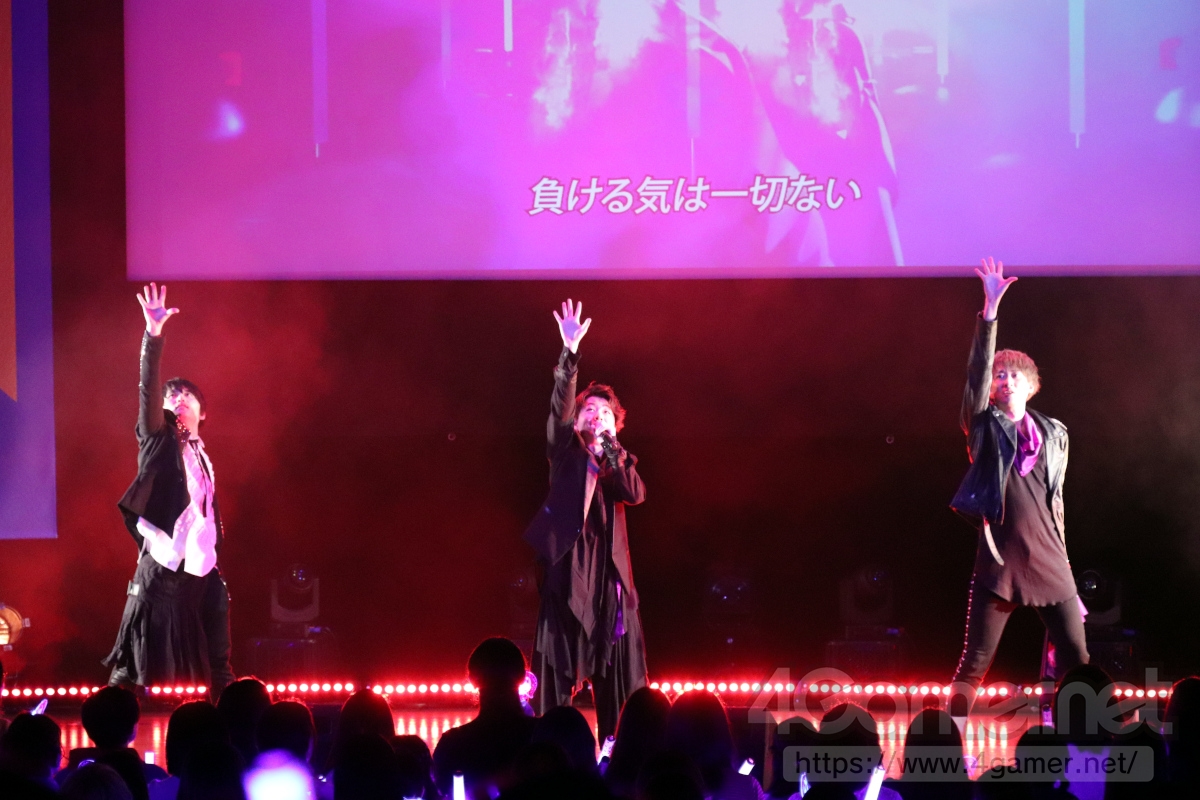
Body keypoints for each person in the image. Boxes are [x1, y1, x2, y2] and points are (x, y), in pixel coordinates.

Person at [949, 258, 1089, 707]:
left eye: (1015, 375)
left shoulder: (1055, 433)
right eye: (1000, 375)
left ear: (1031, 386)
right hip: (1001, 563)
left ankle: (1081, 735)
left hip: (1051, 561)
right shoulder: (983, 427)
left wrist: (1068, 576)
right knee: (975, 662)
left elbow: (1054, 508)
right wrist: (989, 312)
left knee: (1078, 661)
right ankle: (946, 740)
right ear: (991, 388)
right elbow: (976, 371)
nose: (1006, 380)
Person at [524, 300, 649, 743]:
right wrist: (569, 354)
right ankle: (555, 752)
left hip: (610, 584)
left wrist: (613, 450)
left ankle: (620, 751)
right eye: (590, 412)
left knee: (618, 681)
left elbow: (635, 493)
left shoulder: (618, 463)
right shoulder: (565, 451)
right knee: (557, 677)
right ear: (578, 422)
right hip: (568, 576)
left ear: (617, 425)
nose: (598, 417)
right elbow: (560, 406)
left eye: (606, 414)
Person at [105, 283, 235, 697]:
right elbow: (148, 387)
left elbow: (205, 509)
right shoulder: (157, 439)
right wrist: (153, 334)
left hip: (200, 568)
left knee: (219, 661)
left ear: (202, 411)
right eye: (172, 395)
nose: (178, 398)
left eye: (187, 395)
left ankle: (232, 718)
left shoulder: (203, 455)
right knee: (130, 664)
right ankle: (112, 724)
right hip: (161, 566)